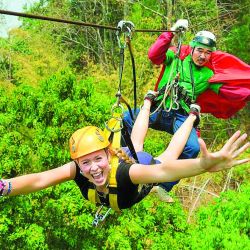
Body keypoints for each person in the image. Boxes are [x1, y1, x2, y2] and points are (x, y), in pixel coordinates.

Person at [0, 96, 249, 215]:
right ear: (77, 163)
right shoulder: (78, 170)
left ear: (108, 155)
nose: (93, 169)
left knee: (168, 154)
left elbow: (163, 172)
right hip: (125, 156)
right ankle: (148, 101)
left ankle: (193, 115)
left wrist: (204, 165)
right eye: (85, 163)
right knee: (136, 143)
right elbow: (40, 180)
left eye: (97, 159)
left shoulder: (127, 172)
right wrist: (5, 186)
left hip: (136, 167)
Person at [122, 19, 250, 194]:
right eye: (199, 50)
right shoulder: (174, 57)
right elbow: (154, 55)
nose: (203, 56)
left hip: (181, 117)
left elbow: (232, 92)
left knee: (193, 148)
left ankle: (161, 185)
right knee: (126, 118)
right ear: (192, 48)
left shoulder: (208, 75)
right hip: (159, 109)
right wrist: (171, 32)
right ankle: (124, 160)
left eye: (207, 53)